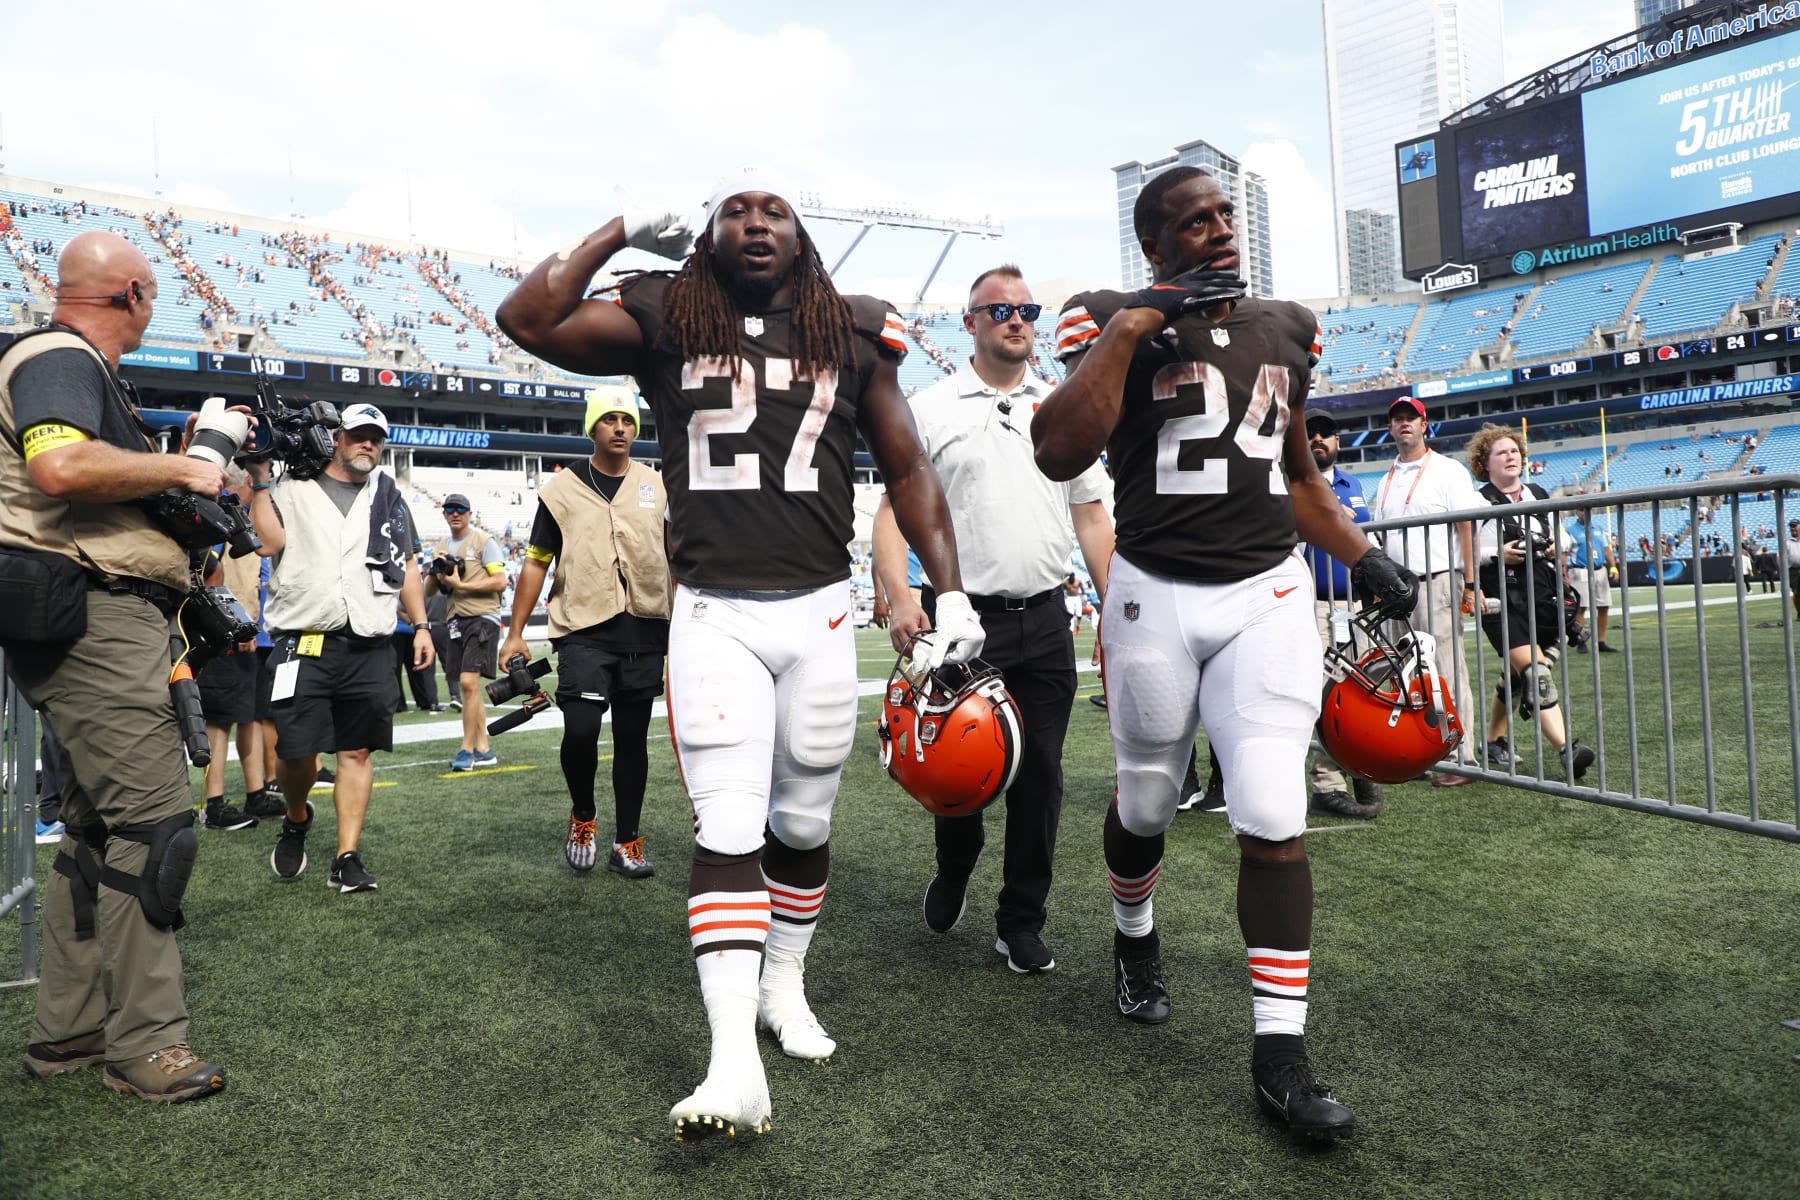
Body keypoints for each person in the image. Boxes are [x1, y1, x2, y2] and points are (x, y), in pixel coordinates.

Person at [495, 166, 982, 1142]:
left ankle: (784, 988)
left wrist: (951, 589)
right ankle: (731, 1063)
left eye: (777, 211)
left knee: (802, 824)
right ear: (709, 236)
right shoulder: (667, 314)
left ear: (803, 237)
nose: (757, 222)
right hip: (715, 612)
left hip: (819, 616)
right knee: (728, 826)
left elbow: (907, 465)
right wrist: (624, 225)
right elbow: (529, 318)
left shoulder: (853, 328)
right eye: (737, 210)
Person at [1033, 166, 1416, 1141]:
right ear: (1154, 245)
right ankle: (1134, 938)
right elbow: (1056, 448)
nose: (1216, 232)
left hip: (1267, 592)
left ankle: (1280, 1057)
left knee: (1273, 807)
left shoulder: (1287, 325)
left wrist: (1363, 554)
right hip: (1153, 589)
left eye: (1223, 217)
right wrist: (1133, 325)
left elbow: (1294, 477)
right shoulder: (1109, 314)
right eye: (1191, 222)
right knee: (1148, 801)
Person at [3, 230, 227, 1101]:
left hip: (87, 614)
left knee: (98, 832)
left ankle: (69, 1031)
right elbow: (58, 466)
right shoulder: (60, 354)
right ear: (132, 294)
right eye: (154, 293)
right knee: (156, 829)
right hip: (94, 617)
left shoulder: (64, 363)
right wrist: (191, 466)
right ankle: (148, 1045)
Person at [873, 264, 1115, 975]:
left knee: (1041, 775)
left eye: (1028, 309)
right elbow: (892, 514)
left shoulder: (1064, 403)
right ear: (970, 323)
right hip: (960, 621)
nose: (1017, 319)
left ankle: (1021, 920)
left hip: (1043, 619)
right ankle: (956, 865)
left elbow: (1092, 518)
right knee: (958, 774)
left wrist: (1119, 612)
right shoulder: (933, 405)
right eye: (1000, 309)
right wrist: (899, 595)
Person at [244, 402, 435, 894]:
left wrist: (420, 625)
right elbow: (266, 544)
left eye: (376, 437)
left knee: (357, 751)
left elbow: (407, 565)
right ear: (338, 438)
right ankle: (296, 814)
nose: (368, 443)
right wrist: (261, 480)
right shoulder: (290, 489)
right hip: (302, 641)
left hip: (370, 642)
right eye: (358, 435)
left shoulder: (390, 495)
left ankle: (346, 856)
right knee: (295, 753)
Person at [499, 386, 671, 880]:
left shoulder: (658, 486)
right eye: (609, 419)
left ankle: (628, 841)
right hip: (582, 628)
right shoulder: (561, 489)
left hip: (644, 627)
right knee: (581, 730)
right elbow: (535, 563)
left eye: (627, 419)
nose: (620, 427)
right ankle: (583, 814)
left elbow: (677, 557)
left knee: (633, 740)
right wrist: (515, 634)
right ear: (592, 427)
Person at [1465, 425, 1595, 781]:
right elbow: (1462, 550)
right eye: (1501, 453)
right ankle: (1568, 751)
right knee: (1536, 674)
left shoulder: (1537, 492)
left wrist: (1558, 545)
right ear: (1484, 464)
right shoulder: (1478, 501)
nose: (1511, 457)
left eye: (1514, 451)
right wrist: (1496, 554)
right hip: (1500, 598)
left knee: (1517, 676)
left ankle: (1493, 740)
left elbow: (1564, 536)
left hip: (1543, 594)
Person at [1366, 395, 1481, 787]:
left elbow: (1466, 526)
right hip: (1399, 587)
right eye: (1397, 419)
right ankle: (1423, 752)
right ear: (1390, 428)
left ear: (1424, 425)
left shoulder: (1448, 470)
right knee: (1408, 673)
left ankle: (1462, 757)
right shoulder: (1385, 479)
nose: (1404, 425)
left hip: (1437, 580)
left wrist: (1469, 582)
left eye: (1410, 419)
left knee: (1446, 668)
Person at [1298, 411, 1385, 819]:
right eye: (1310, 433)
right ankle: (1327, 784)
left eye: (1326, 433)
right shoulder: (1293, 485)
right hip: (1313, 604)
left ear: (1337, 441)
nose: (1318, 438)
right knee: (1323, 691)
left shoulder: (1354, 485)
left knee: (1357, 688)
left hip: (1352, 605)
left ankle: (1355, 765)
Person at [427, 493, 506, 769]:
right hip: (455, 620)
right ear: (444, 514)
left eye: (460, 509)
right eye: (450, 509)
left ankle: (466, 750)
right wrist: (436, 570)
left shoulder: (484, 541)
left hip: (482, 617)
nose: (455, 513)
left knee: (469, 684)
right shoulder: (441, 544)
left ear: (470, 513)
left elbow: (500, 581)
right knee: (469, 687)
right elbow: (429, 591)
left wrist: (462, 586)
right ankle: (484, 749)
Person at [192, 545, 266, 830]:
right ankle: (214, 805)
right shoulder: (221, 522)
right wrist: (231, 623)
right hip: (227, 634)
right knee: (219, 720)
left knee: (250, 714)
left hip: (248, 633)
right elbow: (210, 570)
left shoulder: (240, 520)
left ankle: (256, 795)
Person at [1563, 506, 1619, 653]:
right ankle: (1581, 640)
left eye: (1588, 510)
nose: (1585, 513)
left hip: (1599, 569)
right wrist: (1565, 574)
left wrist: (1613, 566)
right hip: (1580, 570)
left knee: (1604, 606)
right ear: (1576, 512)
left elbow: (1607, 549)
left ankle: (1601, 641)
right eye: (1581, 510)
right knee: (1581, 607)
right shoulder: (1570, 531)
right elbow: (1564, 554)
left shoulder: (1599, 528)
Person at [1784, 519, 1800, 620]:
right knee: (1797, 593)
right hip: (1793, 570)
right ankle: (1799, 613)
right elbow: (1781, 556)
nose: (1792, 528)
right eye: (1791, 526)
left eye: (1794, 526)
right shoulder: (1787, 541)